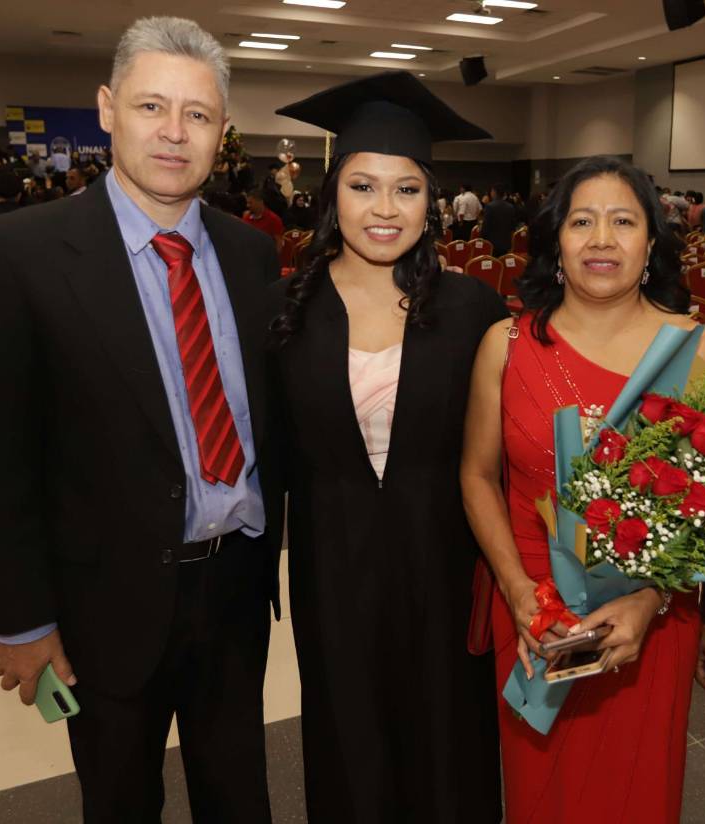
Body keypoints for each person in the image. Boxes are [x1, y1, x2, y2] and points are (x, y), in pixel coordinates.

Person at [0, 17, 282, 822]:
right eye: (151, 107)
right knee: (121, 801)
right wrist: (21, 621)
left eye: (197, 115)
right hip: (105, 602)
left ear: (222, 133)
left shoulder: (250, 255)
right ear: (107, 108)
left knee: (240, 798)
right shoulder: (11, 256)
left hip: (235, 589)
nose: (174, 133)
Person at [461, 155, 705, 823]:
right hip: (535, 612)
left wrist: (649, 599)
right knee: (540, 791)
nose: (601, 239)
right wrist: (516, 590)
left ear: (652, 242)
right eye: (582, 221)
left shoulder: (696, 349)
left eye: (623, 222)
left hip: (650, 621)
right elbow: (477, 475)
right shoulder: (505, 343)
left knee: (637, 790)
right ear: (555, 240)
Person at [270, 70, 505, 823]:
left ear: (431, 201)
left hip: (446, 565)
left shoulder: (472, 308)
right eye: (363, 186)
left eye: (406, 189)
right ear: (331, 195)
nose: (384, 209)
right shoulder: (285, 308)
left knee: (448, 738)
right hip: (331, 565)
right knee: (348, 737)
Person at [480, 182, 517, 256]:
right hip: (506, 242)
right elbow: (513, 226)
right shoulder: (510, 207)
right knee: (502, 261)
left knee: (493, 262)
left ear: (494, 192)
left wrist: (482, 239)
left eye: (491, 191)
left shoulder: (490, 206)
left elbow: (485, 227)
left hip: (492, 243)